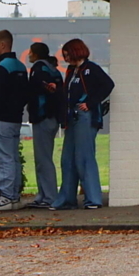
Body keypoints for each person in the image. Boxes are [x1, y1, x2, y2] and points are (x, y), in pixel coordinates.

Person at [53, 39, 113, 210]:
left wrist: (91, 103)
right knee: (67, 158)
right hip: (72, 117)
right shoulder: (72, 71)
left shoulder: (91, 69)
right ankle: (66, 199)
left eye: (67, 54)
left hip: (85, 117)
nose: (65, 58)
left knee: (84, 157)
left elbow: (108, 85)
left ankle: (93, 199)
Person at [0, 29, 29, 211]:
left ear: (3, 45)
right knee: (12, 158)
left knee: (3, 159)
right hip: (15, 118)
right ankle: (14, 196)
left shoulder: (2, 68)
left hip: (0, 119)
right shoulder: (20, 66)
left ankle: (5, 196)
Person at [26, 42, 65, 209]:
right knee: (44, 157)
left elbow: (35, 91)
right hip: (53, 117)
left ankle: (49, 196)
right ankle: (43, 194)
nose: (28, 55)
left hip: (43, 117)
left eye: (30, 52)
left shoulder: (38, 69)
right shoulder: (53, 69)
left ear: (35, 54)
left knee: (43, 159)